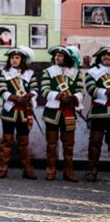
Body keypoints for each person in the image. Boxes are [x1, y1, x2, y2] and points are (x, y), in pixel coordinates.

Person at [41, 45, 84, 182]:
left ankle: (68, 170)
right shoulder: (48, 72)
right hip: (53, 112)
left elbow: (81, 91)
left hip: (69, 111)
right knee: (51, 143)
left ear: (66, 58)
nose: (56, 58)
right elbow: (44, 90)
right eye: (56, 55)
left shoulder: (76, 73)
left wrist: (74, 98)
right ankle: (51, 169)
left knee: (69, 144)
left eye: (60, 55)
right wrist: (59, 96)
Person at [0, 46, 38, 179]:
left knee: (24, 141)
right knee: (7, 141)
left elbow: (35, 88)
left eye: (17, 58)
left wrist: (28, 96)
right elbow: (2, 90)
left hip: (25, 111)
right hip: (10, 111)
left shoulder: (29, 73)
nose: (14, 60)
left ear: (22, 60)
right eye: (12, 58)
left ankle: (27, 168)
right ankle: (3, 167)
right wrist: (15, 98)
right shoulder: (4, 73)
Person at [84, 45, 110, 182]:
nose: (106, 57)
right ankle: (91, 170)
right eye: (104, 55)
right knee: (95, 142)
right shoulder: (93, 72)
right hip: (98, 112)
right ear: (100, 57)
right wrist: (105, 92)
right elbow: (90, 88)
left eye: (109, 54)